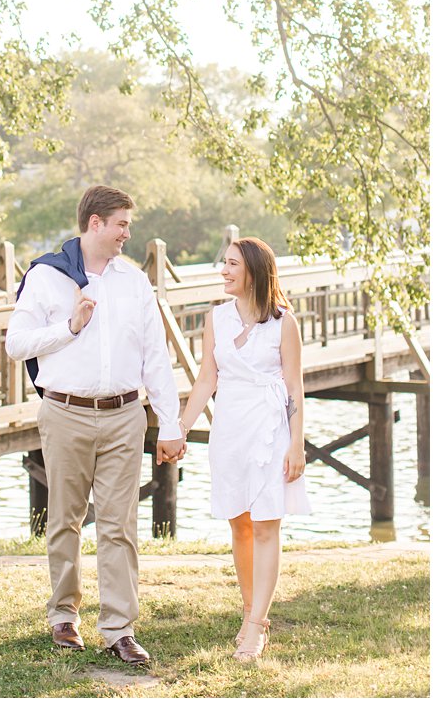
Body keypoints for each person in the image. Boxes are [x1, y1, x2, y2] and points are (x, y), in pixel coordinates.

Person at [4, 185, 184, 666]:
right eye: (122, 224)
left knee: (120, 525)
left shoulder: (135, 282)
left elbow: (155, 358)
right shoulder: (46, 276)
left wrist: (170, 423)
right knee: (65, 519)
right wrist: (70, 327)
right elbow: (15, 344)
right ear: (96, 223)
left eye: (129, 224)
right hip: (65, 413)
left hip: (125, 416)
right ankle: (63, 616)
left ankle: (119, 628)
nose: (128, 233)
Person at [178, 236, 308, 661]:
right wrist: (179, 428)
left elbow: (294, 388)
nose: (224, 271)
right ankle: (250, 608)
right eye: (224, 264)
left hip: (270, 430)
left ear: (253, 269)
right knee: (241, 524)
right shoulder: (216, 318)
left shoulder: (284, 322)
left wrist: (297, 444)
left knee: (268, 523)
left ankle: (257, 625)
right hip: (230, 429)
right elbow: (205, 381)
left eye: (232, 264)